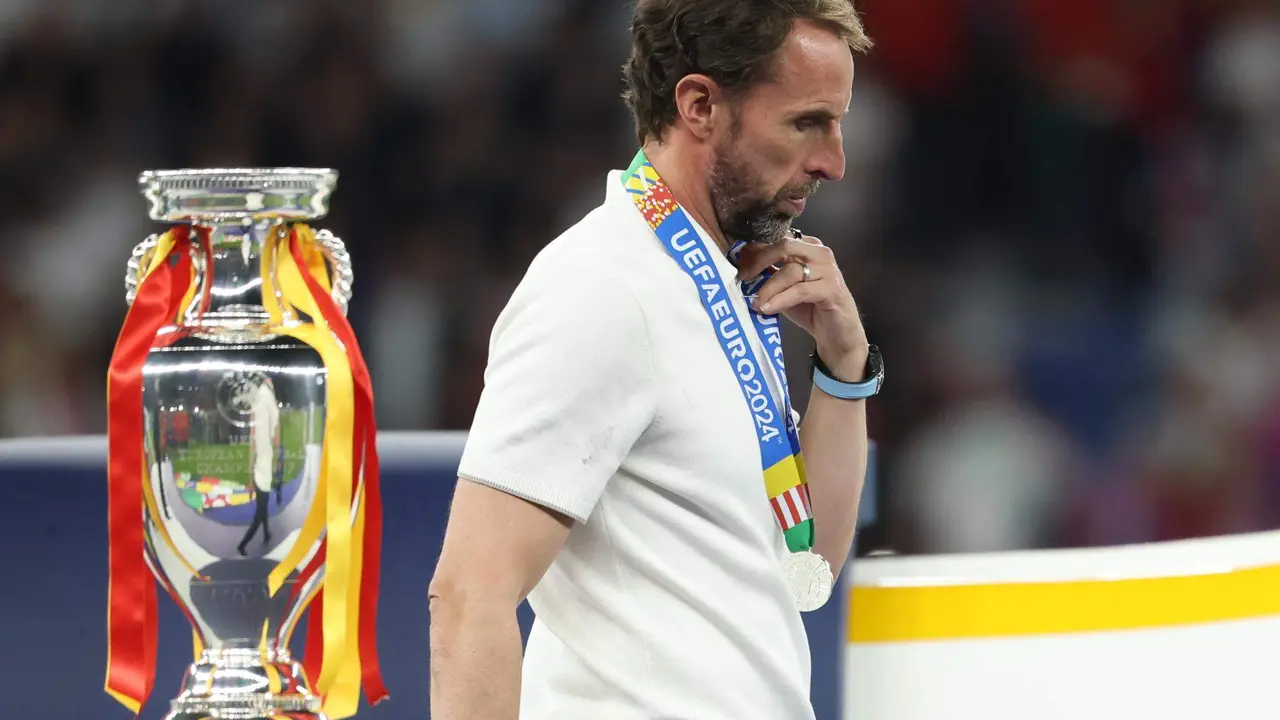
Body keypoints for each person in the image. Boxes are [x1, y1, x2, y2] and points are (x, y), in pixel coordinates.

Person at [429, 1, 880, 718]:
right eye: (806, 123)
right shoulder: (602, 286)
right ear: (700, 105)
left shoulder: (726, 281)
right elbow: (469, 593)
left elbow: (809, 566)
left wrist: (844, 365)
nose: (834, 161)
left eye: (838, 122)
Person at [237, 378, 280, 556]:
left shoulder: (256, 411)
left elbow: (252, 445)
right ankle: (243, 544)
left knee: (263, 504)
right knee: (261, 510)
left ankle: (267, 533)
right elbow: (275, 438)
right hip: (262, 469)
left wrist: (250, 472)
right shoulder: (267, 410)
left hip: (258, 470)